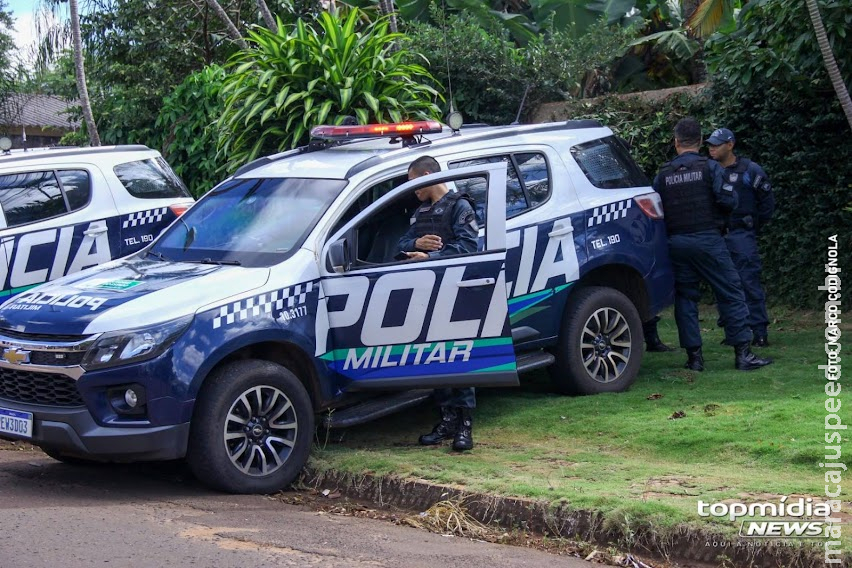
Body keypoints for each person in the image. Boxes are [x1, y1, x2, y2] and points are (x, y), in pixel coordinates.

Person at [652, 118, 772, 372]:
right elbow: (729, 201)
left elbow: (656, 209)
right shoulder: (710, 168)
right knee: (731, 291)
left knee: (686, 298)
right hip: (708, 239)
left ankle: (694, 358)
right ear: (699, 141)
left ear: (676, 142)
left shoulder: (663, 174)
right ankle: (743, 353)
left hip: (676, 243)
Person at [398, 155, 479, 451]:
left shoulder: (460, 206)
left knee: (460, 360)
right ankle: (446, 421)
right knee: (438, 359)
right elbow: (400, 244)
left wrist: (430, 257)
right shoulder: (420, 212)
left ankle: (465, 427)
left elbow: (469, 247)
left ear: (429, 175)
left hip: (457, 290)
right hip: (429, 294)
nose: (414, 190)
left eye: (415, 183)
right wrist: (415, 245)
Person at [707, 128, 775, 347]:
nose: (712, 148)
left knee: (748, 281)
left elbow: (766, 204)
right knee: (723, 285)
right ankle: (733, 331)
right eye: (710, 144)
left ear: (730, 144)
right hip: (718, 235)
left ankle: (759, 331)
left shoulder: (750, 170)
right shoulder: (709, 170)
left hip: (741, 233)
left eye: (716, 144)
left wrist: (752, 227)